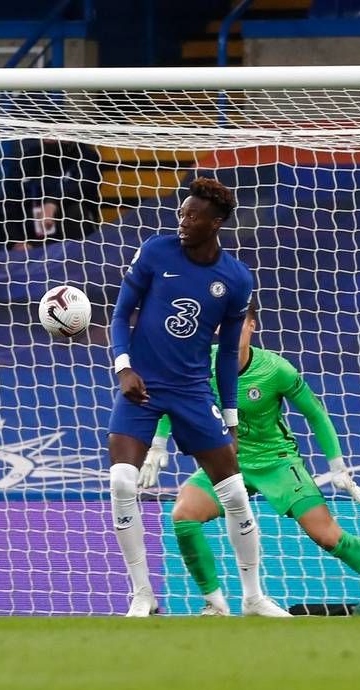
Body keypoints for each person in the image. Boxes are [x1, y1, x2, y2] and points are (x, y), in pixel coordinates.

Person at [139, 301, 360, 616]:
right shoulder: (201, 365)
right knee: (183, 515)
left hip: (277, 462)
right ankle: (215, 604)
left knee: (327, 535)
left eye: (238, 322)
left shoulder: (276, 369)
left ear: (252, 326)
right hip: (226, 462)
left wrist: (337, 467)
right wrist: (158, 444)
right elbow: (174, 400)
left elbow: (315, 414)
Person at [108, 176, 288, 617]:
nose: (183, 221)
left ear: (217, 222)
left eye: (193, 215)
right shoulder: (155, 251)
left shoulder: (236, 278)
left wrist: (229, 419)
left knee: (233, 493)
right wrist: (123, 366)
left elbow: (228, 354)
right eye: (181, 213)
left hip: (192, 392)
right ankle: (142, 594)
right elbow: (120, 313)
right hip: (143, 388)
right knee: (121, 482)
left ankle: (253, 597)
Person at [13, 138, 101, 251]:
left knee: (76, 210)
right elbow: (11, 199)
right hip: (32, 239)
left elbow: (84, 185)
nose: (50, 139)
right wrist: (16, 240)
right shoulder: (30, 157)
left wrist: (53, 202)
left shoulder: (87, 156)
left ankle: (78, 255)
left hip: (71, 237)